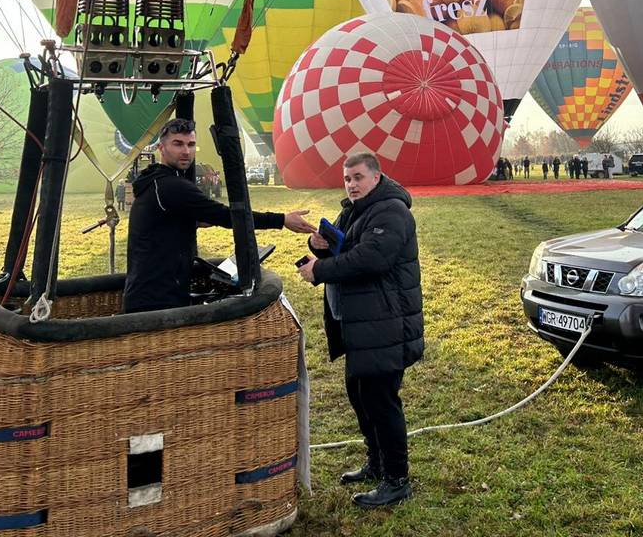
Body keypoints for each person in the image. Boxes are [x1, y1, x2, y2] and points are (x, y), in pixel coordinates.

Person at [297, 153, 422, 508]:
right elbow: (344, 244)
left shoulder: (392, 212)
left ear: (377, 177)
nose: (351, 184)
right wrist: (317, 246)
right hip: (362, 321)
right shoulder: (355, 208)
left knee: (381, 401)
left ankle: (397, 479)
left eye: (358, 177)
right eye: (347, 178)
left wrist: (320, 271)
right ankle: (377, 461)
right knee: (360, 394)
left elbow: (372, 258)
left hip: (386, 320)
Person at [123, 118, 315, 314]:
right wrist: (282, 219)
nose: (186, 151)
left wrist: (191, 221)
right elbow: (226, 216)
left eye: (191, 144)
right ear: (161, 148)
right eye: (177, 144)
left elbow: (164, 222)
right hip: (157, 300)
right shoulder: (171, 186)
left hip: (151, 291)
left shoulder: (154, 181)